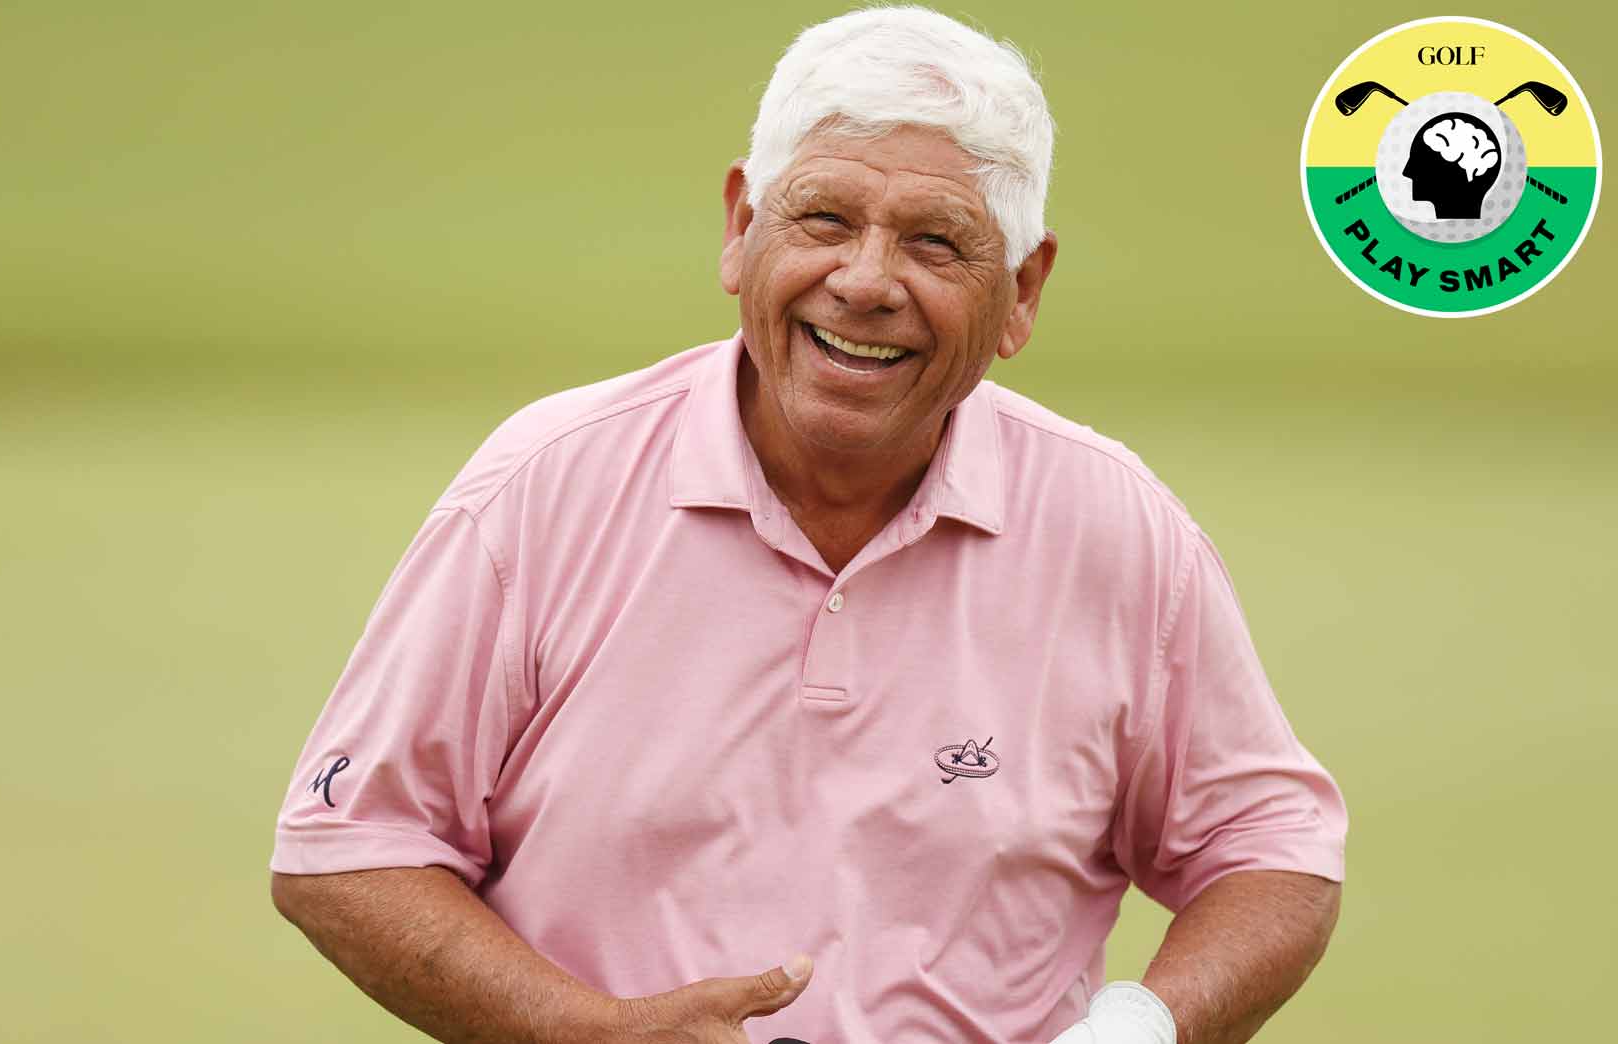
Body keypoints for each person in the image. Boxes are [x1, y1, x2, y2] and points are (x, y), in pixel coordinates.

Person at [269, 7, 1347, 1043]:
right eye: (823, 220)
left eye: (936, 243)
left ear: (1021, 292)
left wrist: (1136, 1030)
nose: (865, 282)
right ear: (741, 229)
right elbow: (345, 848)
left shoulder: (1115, 529)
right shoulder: (540, 489)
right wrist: (584, 1034)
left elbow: (1270, 847)